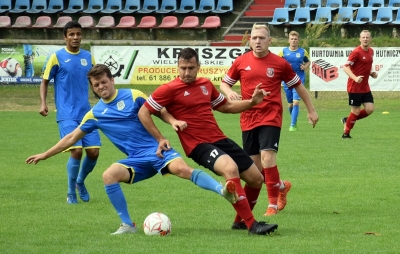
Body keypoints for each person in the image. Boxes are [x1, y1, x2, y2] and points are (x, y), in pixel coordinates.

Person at [26, 64, 239, 235]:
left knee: (182, 170)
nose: (101, 87)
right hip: (136, 160)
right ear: (93, 88)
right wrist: (45, 154)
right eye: (96, 85)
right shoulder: (95, 114)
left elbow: (159, 110)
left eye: (103, 82)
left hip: (157, 150)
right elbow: (72, 137)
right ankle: (127, 225)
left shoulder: (133, 95)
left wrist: (171, 122)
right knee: (109, 175)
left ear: (112, 80)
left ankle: (222, 190)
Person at [139, 47, 278, 235]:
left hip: (219, 139)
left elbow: (226, 106)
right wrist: (161, 138)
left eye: (191, 68)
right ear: (177, 68)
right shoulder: (169, 89)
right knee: (230, 169)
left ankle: (239, 222)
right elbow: (144, 112)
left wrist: (252, 102)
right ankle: (252, 224)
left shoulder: (205, 84)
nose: (186, 72)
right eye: (183, 68)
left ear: (199, 67)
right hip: (198, 145)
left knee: (256, 179)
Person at [220, 24, 319, 216]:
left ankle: (272, 205)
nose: (257, 41)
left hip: (271, 117)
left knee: (267, 158)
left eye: (262, 38)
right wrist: (230, 92)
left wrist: (311, 110)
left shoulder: (279, 63)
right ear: (250, 40)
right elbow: (224, 84)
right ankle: (281, 186)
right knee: (255, 171)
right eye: (254, 38)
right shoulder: (241, 62)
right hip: (248, 118)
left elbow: (298, 86)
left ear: (269, 41)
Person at [39, 21, 101, 204]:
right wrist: (43, 103)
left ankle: (80, 182)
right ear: (65, 37)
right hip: (66, 113)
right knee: (76, 152)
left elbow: (96, 80)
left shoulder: (88, 57)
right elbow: (44, 81)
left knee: (94, 153)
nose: (75, 38)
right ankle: (70, 191)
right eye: (72, 34)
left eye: (78, 34)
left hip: (86, 113)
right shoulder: (56, 57)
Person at [341, 30, 377, 139]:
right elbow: (345, 67)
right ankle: (346, 133)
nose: (365, 39)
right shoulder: (356, 52)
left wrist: (371, 73)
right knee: (355, 111)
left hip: (365, 87)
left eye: (367, 37)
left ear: (370, 39)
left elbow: (367, 65)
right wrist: (355, 78)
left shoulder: (371, 51)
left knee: (370, 109)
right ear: (360, 39)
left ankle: (347, 120)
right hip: (354, 87)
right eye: (363, 37)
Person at [278, 31, 311, 131]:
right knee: (290, 104)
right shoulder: (283, 52)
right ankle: (294, 121)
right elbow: (277, 63)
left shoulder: (302, 52)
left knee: (296, 102)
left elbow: (308, 61)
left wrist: (305, 66)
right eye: (292, 39)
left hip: (299, 80)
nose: (293, 41)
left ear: (298, 41)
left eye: (295, 39)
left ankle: (292, 125)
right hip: (287, 81)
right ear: (289, 40)